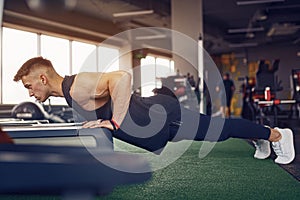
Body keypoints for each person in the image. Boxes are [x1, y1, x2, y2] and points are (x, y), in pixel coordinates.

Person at [13, 57, 295, 164]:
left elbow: (122, 77)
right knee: (218, 132)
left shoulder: (76, 87)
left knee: (220, 131)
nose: (29, 93)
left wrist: (114, 122)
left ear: (42, 78)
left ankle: (277, 136)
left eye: (28, 86)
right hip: (156, 123)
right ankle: (263, 136)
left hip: (161, 116)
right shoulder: (69, 93)